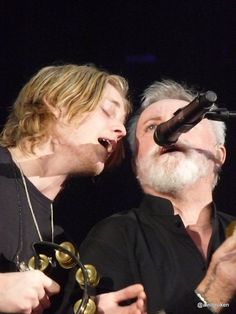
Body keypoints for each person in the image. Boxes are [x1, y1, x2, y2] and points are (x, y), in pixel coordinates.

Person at [79, 79, 236, 313]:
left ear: (219, 153)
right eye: (152, 127)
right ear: (136, 164)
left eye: (186, 119)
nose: (170, 129)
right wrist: (214, 292)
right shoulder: (114, 236)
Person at [0, 64, 146, 314]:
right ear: (57, 104)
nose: (122, 130)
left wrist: (87, 310)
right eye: (107, 111)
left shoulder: (61, 242)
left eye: (122, 122)